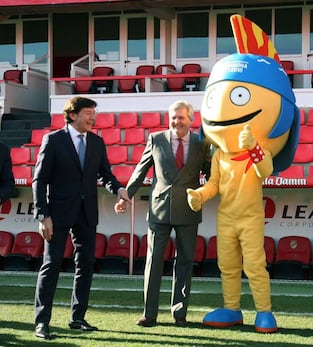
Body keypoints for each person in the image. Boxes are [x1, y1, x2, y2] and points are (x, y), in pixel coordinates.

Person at [33, 96, 130, 340]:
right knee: (51, 266)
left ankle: (77, 318)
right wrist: (43, 215)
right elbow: (39, 179)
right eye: (88, 113)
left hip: (87, 215)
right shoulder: (53, 140)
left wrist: (119, 190)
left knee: (85, 266)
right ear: (73, 114)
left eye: (93, 113)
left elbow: (106, 174)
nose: (92, 118)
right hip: (57, 214)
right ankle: (41, 323)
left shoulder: (97, 142)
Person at [114, 100, 210, 327]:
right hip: (159, 210)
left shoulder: (201, 143)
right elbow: (141, 168)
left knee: (185, 263)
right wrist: (126, 195)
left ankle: (180, 313)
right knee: (154, 261)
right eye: (173, 117)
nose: (176, 121)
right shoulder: (156, 139)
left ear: (191, 120)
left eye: (181, 118)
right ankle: (150, 314)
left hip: (188, 210)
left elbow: (210, 173)